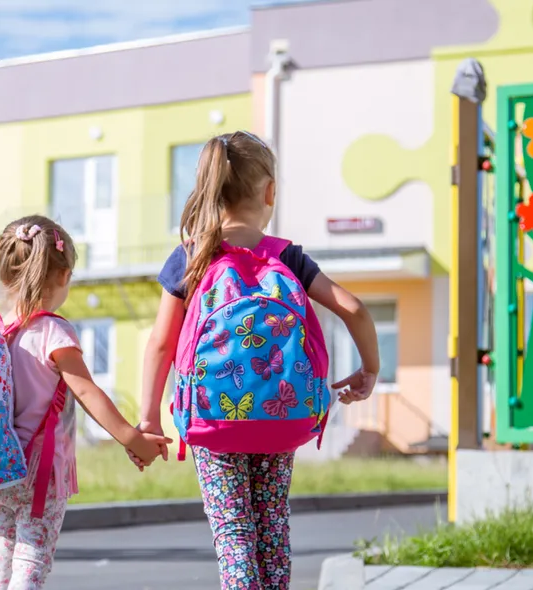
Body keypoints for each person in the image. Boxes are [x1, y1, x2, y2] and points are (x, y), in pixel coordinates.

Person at [132, 131, 381, 589]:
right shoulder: (286, 257)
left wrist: (148, 420)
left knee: (233, 531)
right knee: (272, 526)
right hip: (281, 412)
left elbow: (161, 345)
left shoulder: (191, 256)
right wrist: (369, 369)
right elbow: (354, 309)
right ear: (269, 192)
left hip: (213, 416)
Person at [0, 215, 170, 589]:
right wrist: (133, 440)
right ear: (64, 276)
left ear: (5, 277)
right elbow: (87, 391)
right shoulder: (53, 331)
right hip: (40, 474)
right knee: (31, 562)